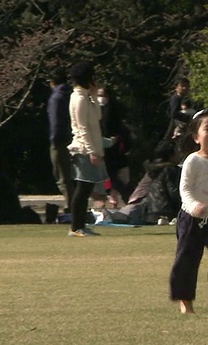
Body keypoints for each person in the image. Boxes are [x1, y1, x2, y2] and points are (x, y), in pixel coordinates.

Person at [169, 108, 208, 314]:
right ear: (197, 137)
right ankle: (185, 302)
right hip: (191, 220)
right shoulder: (193, 161)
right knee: (187, 260)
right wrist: (194, 206)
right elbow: (185, 190)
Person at [67, 61, 112, 237]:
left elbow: (97, 117)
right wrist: (91, 151)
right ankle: (76, 226)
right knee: (83, 188)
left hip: (91, 147)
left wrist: (93, 96)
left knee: (86, 188)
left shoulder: (86, 97)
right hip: (82, 149)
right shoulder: (77, 98)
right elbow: (82, 127)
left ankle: (80, 225)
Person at [98, 86, 133, 207]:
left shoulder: (112, 110)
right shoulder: (100, 110)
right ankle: (114, 197)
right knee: (110, 175)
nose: (100, 98)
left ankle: (123, 195)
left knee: (111, 175)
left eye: (102, 95)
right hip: (107, 146)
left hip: (113, 147)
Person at [47, 67, 75, 213]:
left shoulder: (56, 98)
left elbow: (55, 121)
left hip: (59, 140)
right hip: (71, 138)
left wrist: (54, 140)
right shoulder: (70, 94)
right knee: (68, 174)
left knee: (61, 175)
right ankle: (71, 203)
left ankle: (69, 205)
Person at [139, 140, 182, 225]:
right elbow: (174, 192)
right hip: (166, 212)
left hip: (150, 212)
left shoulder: (154, 170)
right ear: (171, 155)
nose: (180, 153)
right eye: (177, 150)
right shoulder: (171, 170)